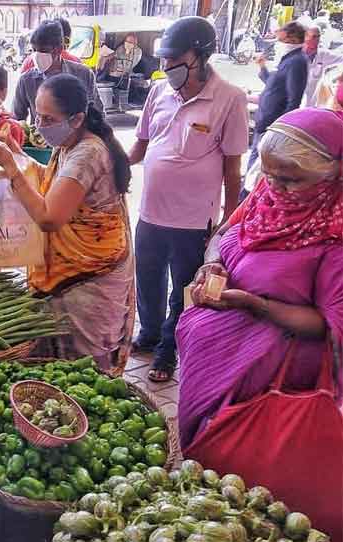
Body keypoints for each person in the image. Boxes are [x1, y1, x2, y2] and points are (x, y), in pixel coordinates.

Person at [178, 108, 343, 452]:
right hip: (212, 359)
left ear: (332, 175)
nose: (275, 187)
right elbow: (223, 235)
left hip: (269, 379)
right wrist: (211, 264)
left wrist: (256, 305)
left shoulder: (334, 234)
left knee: (240, 458)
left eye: (290, 180)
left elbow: (325, 325)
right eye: (269, 175)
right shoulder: (264, 196)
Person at [0, 73, 135, 374]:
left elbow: (49, 217)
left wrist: (11, 168)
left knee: (84, 368)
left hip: (88, 278)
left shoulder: (88, 153)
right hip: (75, 272)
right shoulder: (69, 144)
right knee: (60, 363)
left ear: (77, 119)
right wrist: (17, 153)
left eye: (49, 119)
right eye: (38, 115)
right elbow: (53, 182)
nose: (40, 125)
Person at [127, 16, 248, 382]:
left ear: (200, 56)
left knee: (183, 289)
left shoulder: (229, 98)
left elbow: (232, 168)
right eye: (164, 58)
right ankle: (148, 334)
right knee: (147, 279)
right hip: (150, 211)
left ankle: (167, 350)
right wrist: (107, 164)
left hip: (194, 220)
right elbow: (140, 146)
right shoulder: (158, 91)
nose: (166, 66)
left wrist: (227, 222)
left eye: (175, 58)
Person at [13, 20, 101, 123]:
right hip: (40, 137)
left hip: (78, 138)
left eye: (44, 50)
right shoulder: (26, 81)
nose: (37, 55)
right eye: (34, 50)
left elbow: (98, 114)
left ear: (59, 49)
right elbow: (17, 118)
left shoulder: (84, 75)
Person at [248, 22, 308, 171]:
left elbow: (294, 100)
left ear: (292, 38)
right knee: (255, 163)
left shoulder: (297, 62)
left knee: (257, 167)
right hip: (265, 120)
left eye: (281, 37)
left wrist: (279, 127)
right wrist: (262, 67)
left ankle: (247, 193)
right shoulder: (288, 59)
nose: (277, 41)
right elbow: (273, 85)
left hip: (272, 123)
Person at [303, 24, 343, 107]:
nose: (317, 39)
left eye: (318, 36)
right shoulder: (295, 55)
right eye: (313, 36)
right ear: (305, 37)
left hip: (310, 104)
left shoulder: (323, 54)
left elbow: (341, 58)